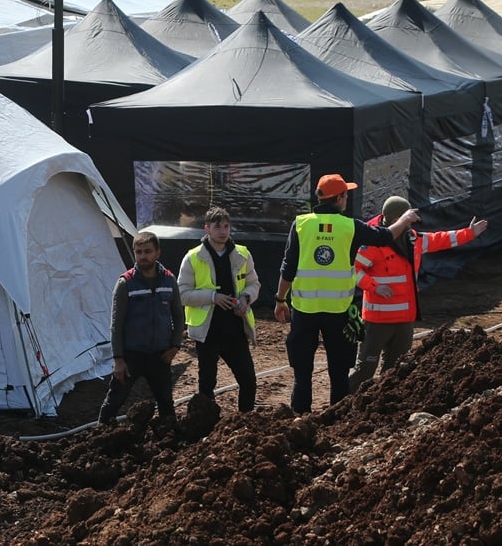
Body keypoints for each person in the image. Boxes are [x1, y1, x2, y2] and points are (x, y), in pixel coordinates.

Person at [272, 174, 421, 414]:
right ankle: (338, 420)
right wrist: (404, 221)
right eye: (346, 195)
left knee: (302, 371)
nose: (346, 199)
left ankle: (299, 418)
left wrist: (280, 300)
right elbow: (384, 237)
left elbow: (288, 267)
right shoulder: (350, 226)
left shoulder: (300, 224)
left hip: (304, 310)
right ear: (339, 198)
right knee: (339, 371)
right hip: (338, 311)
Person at [348, 197, 488, 394]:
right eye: (409, 218)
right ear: (398, 218)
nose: (413, 222)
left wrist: (470, 233)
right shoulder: (373, 244)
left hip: (404, 320)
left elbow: (441, 239)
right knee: (365, 370)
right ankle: (343, 405)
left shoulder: (414, 240)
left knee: (396, 371)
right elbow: (354, 269)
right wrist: (373, 286)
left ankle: (385, 406)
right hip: (377, 320)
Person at [178, 207, 261, 413]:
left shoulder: (242, 254)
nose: (223, 231)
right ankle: (206, 427)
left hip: (235, 330)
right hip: (207, 333)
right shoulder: (193, 257)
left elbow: (254, 284)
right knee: (207, 384)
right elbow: (182, 294)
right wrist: (213, 297)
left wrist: (246, 298)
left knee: (248, 380)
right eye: (217, 227)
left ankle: (245, 421)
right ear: (207, 229)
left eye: (226, 226)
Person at [97, 231, 186, 424]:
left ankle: (169, 441)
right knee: (114, 401)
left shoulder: (169, 281)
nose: (143, 256)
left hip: (160, 355)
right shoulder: (125, 283)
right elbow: (116, 324)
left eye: (147, 251)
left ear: (157, 253)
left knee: (165, 404)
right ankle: (99, 437)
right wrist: (118, 359)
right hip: (131, 356)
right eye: (139, 252)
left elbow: (179, 315)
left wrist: (175, 346)